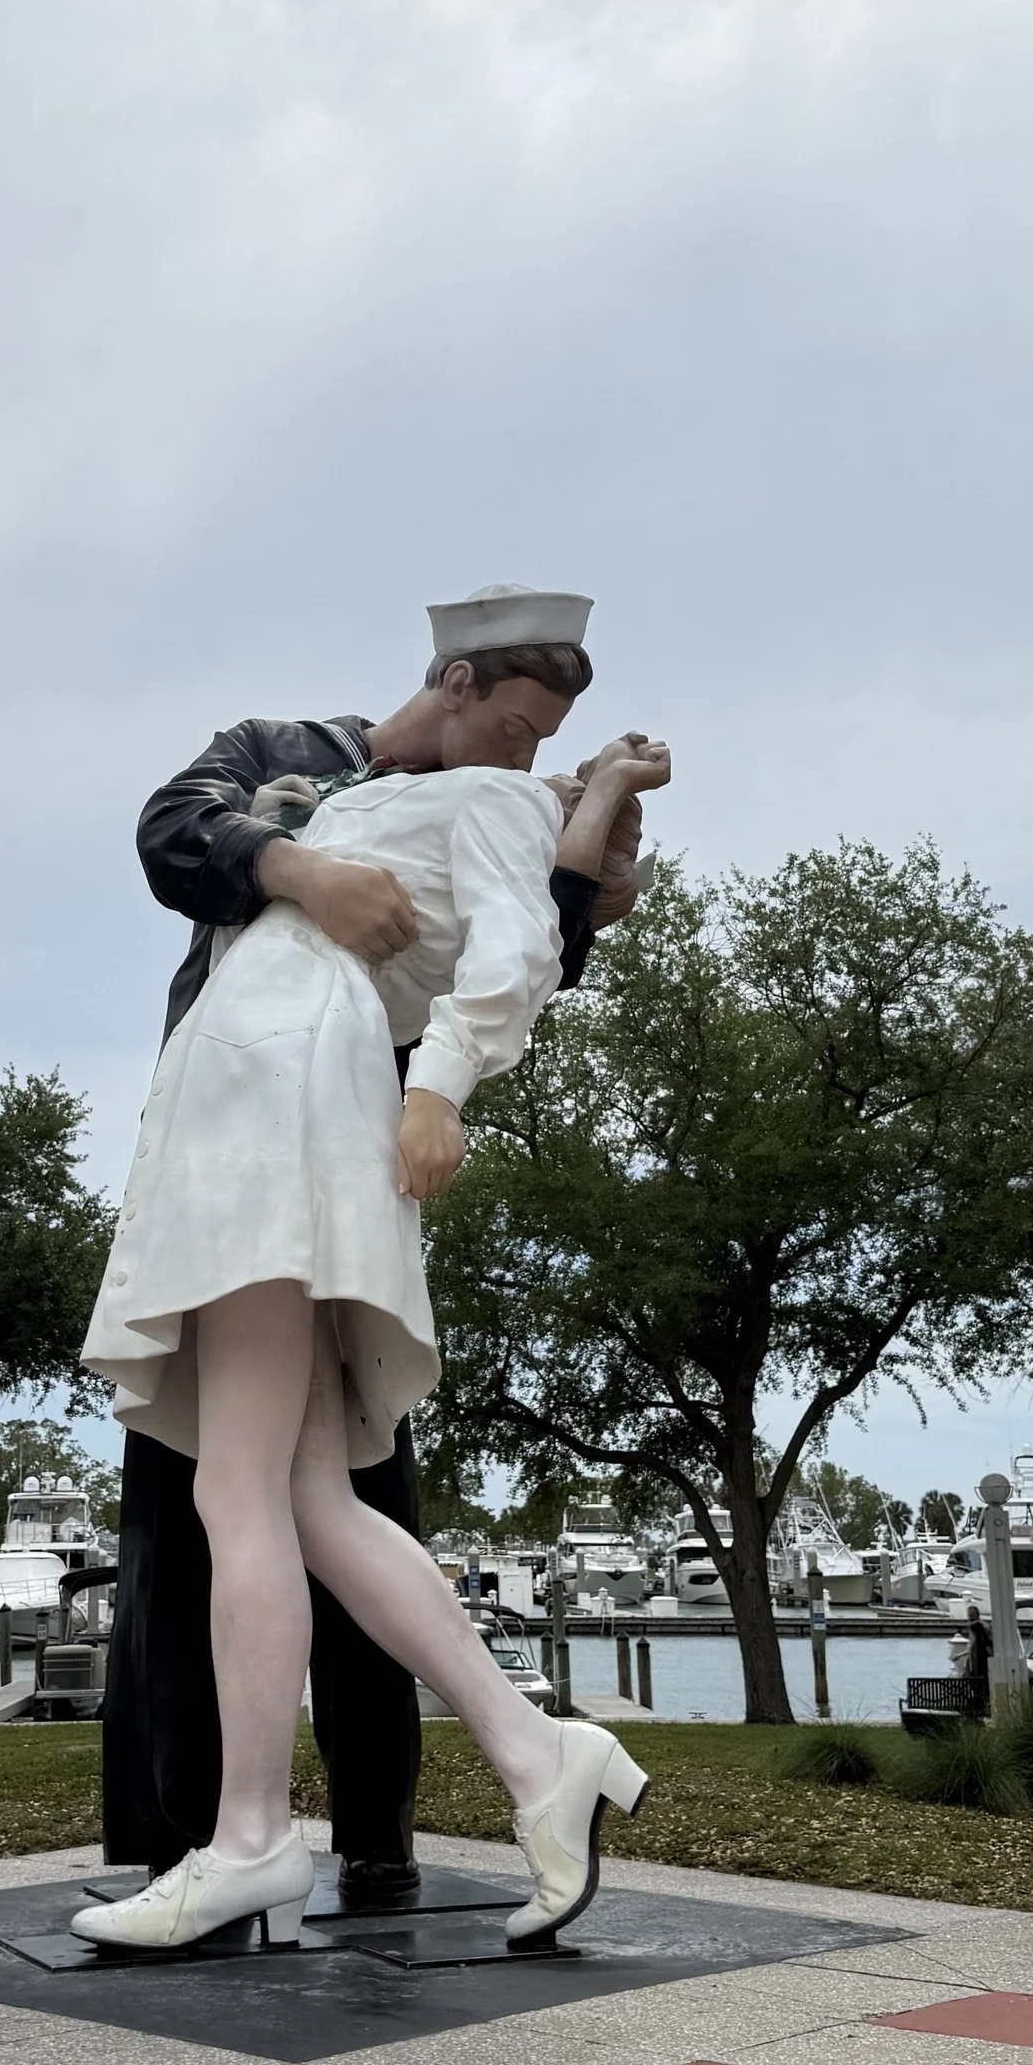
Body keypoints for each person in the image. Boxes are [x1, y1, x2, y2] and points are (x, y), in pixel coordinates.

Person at [76, 623, 671, 1954]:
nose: (531, 749)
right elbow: (177, 831)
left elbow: (527, 949)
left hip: (283, 1076)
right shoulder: (333, 774)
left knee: (242, 1485)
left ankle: (248, 1838)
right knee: (292, 1490)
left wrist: (441, 1087)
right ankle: (532, 1755)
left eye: (547, 744)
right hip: (254, 1071)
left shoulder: (497, 799)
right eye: (516, 720)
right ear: (458, 684)